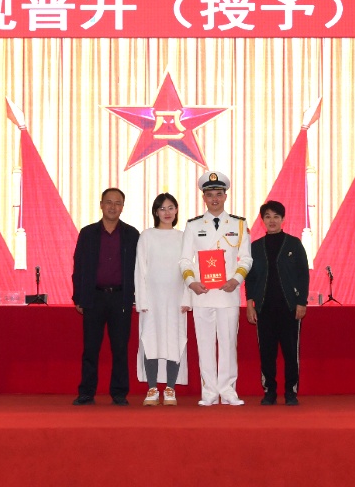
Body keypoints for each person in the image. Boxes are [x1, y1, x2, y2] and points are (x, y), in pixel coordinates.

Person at [179, 171, 252, 406]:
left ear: (225, 196)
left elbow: (246, 259)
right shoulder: (193, 225)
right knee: (205, 344)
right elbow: (185, 260)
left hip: (228, 293)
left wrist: (236, 280)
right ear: (204, 197)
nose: (214, 199)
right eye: (209, 195)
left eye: (218, 194)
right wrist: (191, 282)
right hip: (202, 293)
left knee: (228, 344)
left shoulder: (239, 224)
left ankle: (228, 390)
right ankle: (209, 391)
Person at [71, 188, 140, 406]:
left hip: (121, 298)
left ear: (123, 207)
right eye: (109, 202)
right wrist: (78, 297)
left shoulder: (132, 234)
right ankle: (86, 392)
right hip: (94, 297)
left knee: (120, 348)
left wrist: (135, 296)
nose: (113, 207)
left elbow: (140, 269)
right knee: (91, 348)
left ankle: (119, 393)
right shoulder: (88, 233)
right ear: (101, 205)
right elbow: (78, 266)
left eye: (118, 203)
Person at [245, 201, 309, 406]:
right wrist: (250, 304)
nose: (272, 220)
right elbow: (251, 278)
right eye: (267, 217)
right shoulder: (255, 247)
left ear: (283, 219)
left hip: (289, 308)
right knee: (267, 353)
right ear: (262, 221)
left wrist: (301, 302)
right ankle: (269, 392)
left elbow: (303, 274)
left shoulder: (294, 244)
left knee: (291, 353)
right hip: (264, 308)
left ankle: (291, 392)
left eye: (276, 216)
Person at [135, 193, 191, 406]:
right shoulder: (147, 236)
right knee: (150, 340)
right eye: (162, 208)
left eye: (171, 208)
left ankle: (170, 388)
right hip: (152, 300)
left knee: (174, 340)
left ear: (176, 211)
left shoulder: (183, 237)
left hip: (176, 300)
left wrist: (187, 298)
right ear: (155, 212)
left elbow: (189, 269)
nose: (167, 212)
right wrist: (142, 300)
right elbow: (140, 269)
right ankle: (152, 388)